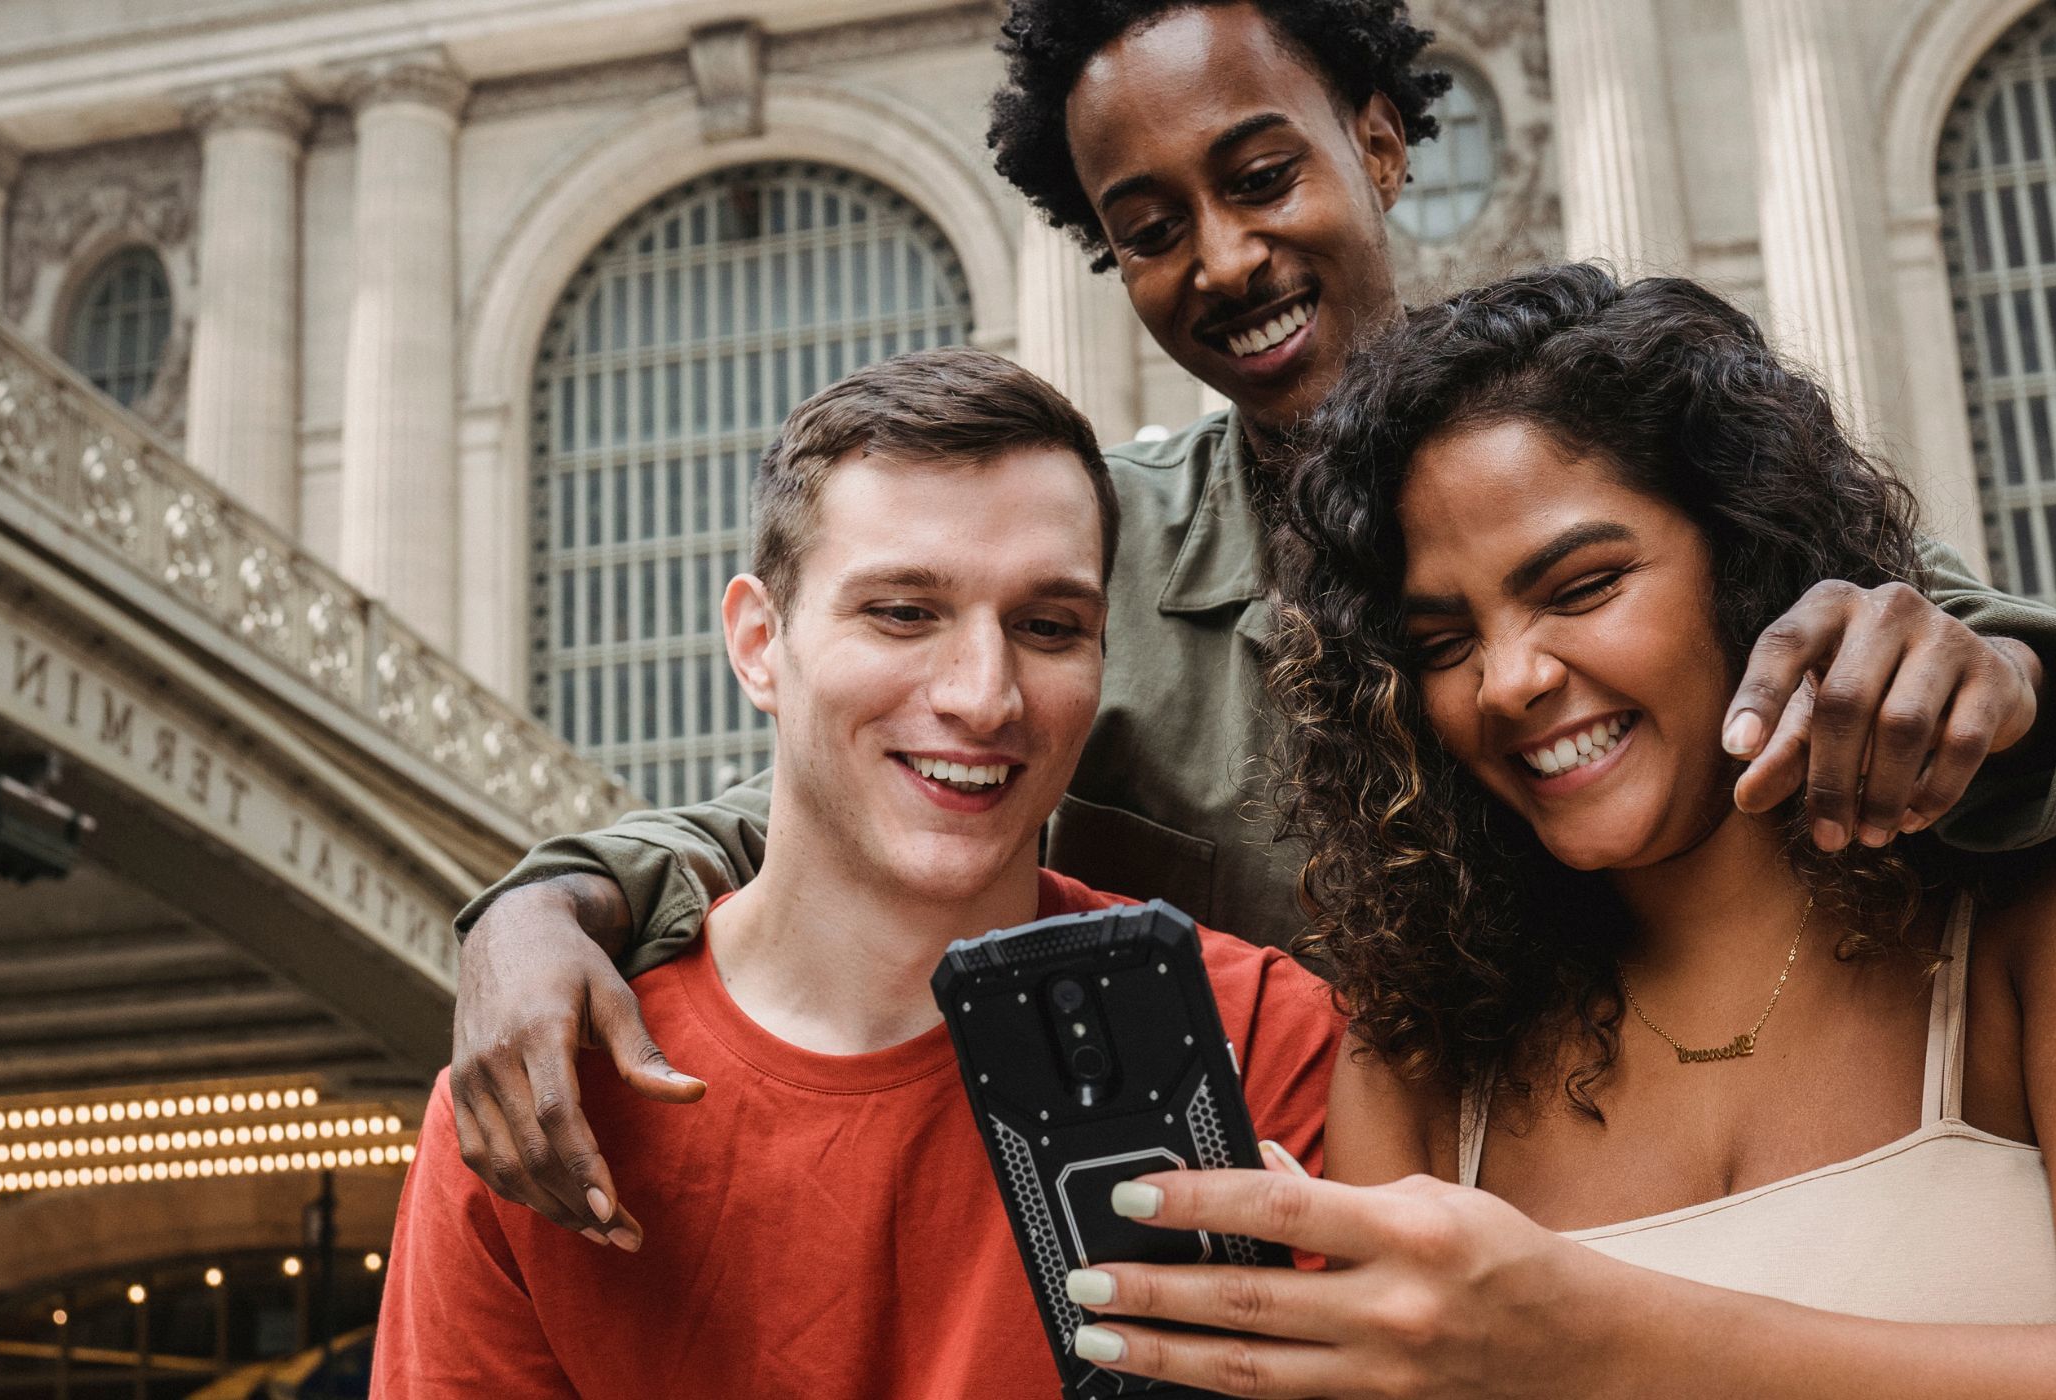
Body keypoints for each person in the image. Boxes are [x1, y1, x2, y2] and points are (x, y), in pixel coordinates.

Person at [452, 0, 2056, 1248]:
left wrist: (1984, 680)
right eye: (1148, 231)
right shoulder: (1094, 563)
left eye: (1260, 172)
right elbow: (837, 813)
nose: (1220, 257)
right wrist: (553, 899)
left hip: (1718, 1213)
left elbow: (1982, 668)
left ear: (1375, 135)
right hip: (1313, 1268)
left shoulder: (1631, 447)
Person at [1055, 264, 2056, 1399]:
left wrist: (1607, 1343)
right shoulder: (1426, 1047)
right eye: (1443, 643)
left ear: (1746, 557)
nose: (1509, 680)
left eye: (1583, 586)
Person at [371, 348, 1342, 1396]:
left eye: (1048, 626)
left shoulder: (1258, 1041)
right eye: (902, 612)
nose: (984, 695)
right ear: (757, 641)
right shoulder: (543, 1102)